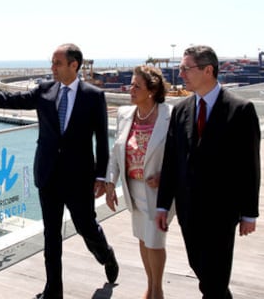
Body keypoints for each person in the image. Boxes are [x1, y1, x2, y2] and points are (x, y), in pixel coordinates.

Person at [0, 43, 118, 299]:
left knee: (86, 227)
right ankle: (53, 292)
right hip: (48, 175)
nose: (52, 68)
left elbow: (102, 140)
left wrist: (101, 177)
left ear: (74, 65)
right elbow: (10, 99)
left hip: (79, 178)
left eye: (57, 63)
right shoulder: (45, 90)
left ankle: (106, 255)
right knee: (51, 235)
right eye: (52, 62)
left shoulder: (93, 95)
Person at [155, 45, 261, 299]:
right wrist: (162, 206)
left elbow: (250, 166)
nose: (180, 74)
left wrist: (249, 213)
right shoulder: (181, 111)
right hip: (188, 210)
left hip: (222, 210)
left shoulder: (240, 109)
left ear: (208, 70)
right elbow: (171, 161)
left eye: (185, 68)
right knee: (203, 270)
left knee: (214, 278)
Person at [105, 65, 174, 299]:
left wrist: (166, 176)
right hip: (133, 189)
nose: (130, 89)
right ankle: (150, 284)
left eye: (136, 86)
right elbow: (116, 152)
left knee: (155, 240)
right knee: (144, 239)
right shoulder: (125, 114)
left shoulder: (170, 115)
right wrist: (110, 183)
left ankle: (158, 290)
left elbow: (182, 154)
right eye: (131, 84)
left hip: (158, 192)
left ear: (152, 90)